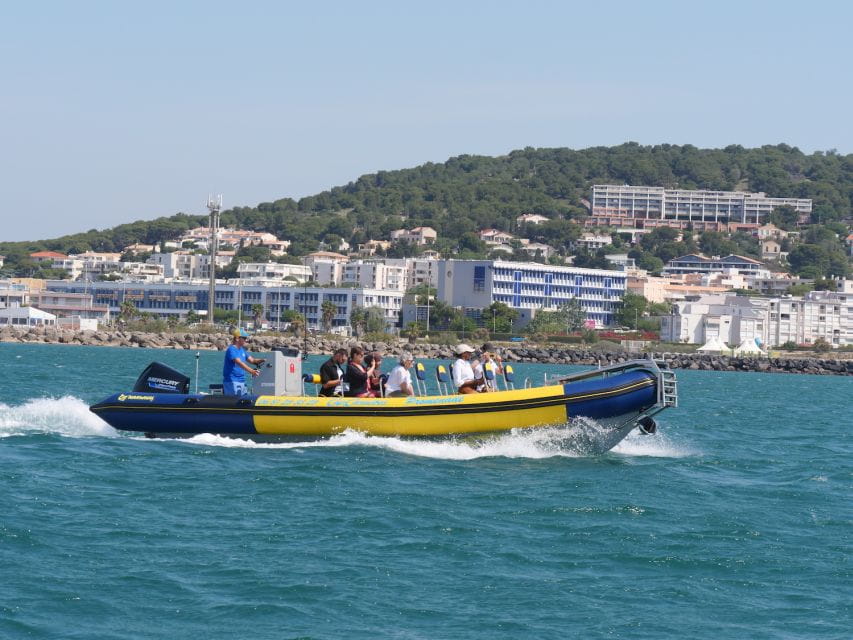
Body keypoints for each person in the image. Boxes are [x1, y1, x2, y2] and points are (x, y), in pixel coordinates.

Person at [222, 328, 265, 396]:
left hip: (242, 381)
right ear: (237, 338)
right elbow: (239, 363)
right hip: (232, 381)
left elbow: (253, 360)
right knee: (234, 403)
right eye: (244, 338)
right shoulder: (231, 349)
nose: (246, 340)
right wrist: (252, 371)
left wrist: (263, 360)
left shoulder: (242, 350)